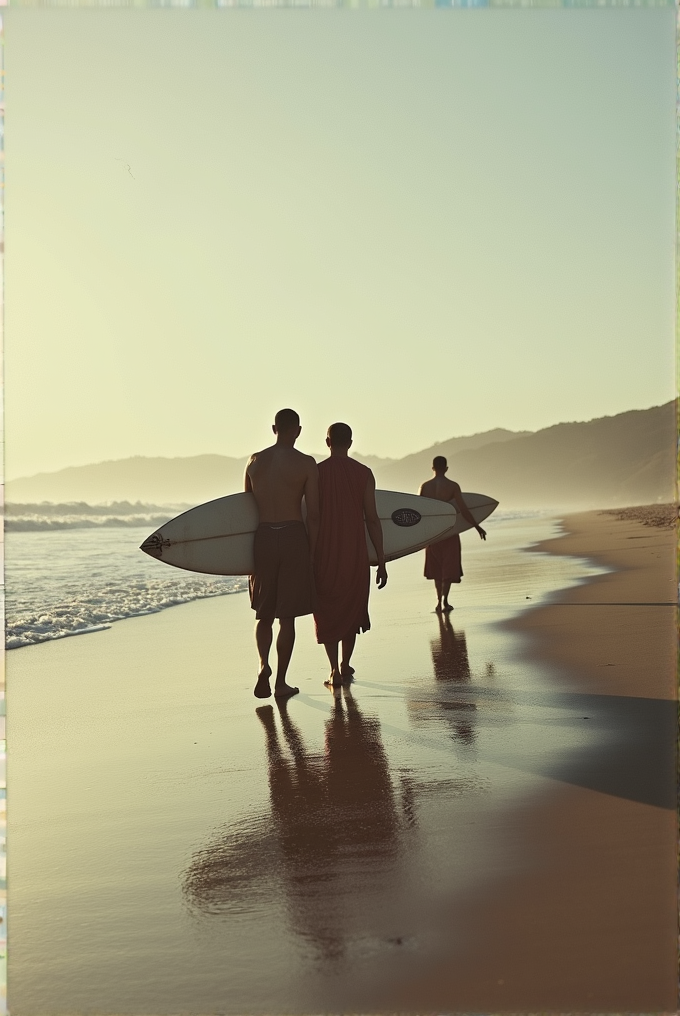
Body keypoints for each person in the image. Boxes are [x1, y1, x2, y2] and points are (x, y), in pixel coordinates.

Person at [245, 408, 319, 699]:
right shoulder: (305, 464)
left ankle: (263, 665)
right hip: (292, 535)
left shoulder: (254, 462)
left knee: (264, 615)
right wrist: (313, 550)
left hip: (263, 535)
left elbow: (246, 510)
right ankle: (281, 683)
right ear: (297, 430)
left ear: (273, 427)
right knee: (286, 617)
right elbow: (312, 514)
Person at [313, 422, 387, 687]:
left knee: (329, 610)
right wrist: (381, 559)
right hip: (355, 554)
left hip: (324, 553)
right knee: (351, 611)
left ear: (327, 442)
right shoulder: (364, 473)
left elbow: (310, 516)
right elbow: (373, 519)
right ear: (351, 442)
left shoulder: (316, 473)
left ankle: (333, 669)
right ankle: (345, 665)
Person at [419, 455, 486, 613]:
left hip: (433, 534)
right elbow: (463, 510)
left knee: (436, 569)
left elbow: (420, 512)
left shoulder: (425, 486)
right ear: (446, 468)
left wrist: (420, 536)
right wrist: (477, 527)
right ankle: (445, 602)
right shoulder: (453, 486)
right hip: (450, 531)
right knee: (448, 568)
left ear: (433, 468)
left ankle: (437, 602)